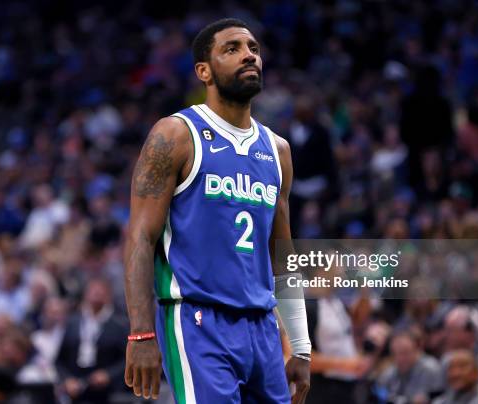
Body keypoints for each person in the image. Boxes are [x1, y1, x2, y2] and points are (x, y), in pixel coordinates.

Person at [124, 18, 311, 404]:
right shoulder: (175, 134)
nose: (248, 56)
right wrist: (142, 333)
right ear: (203, 71)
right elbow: (141, 237)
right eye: (232, 49)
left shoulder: (278, 151)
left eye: (254, 49)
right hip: (198, 321)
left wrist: (302, 345)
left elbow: (283, 257)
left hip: (262, 327)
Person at [56, 277, 129, 404]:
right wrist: (67, 379)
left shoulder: (120, 324)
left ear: (109, 295)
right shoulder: (73, 322)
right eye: (93, 289)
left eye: (101, 290)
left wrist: (109, 375)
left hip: (109, 391)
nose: (97, 293)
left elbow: (127, 359)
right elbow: (59, 360)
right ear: (85, 294)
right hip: (77, 387)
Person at [377, 330, 443, 403]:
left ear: (417, 350)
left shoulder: (431, 369)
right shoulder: (390, 373)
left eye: (405, 353)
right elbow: (380, 395)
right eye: (395, 354)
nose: (400, 358)